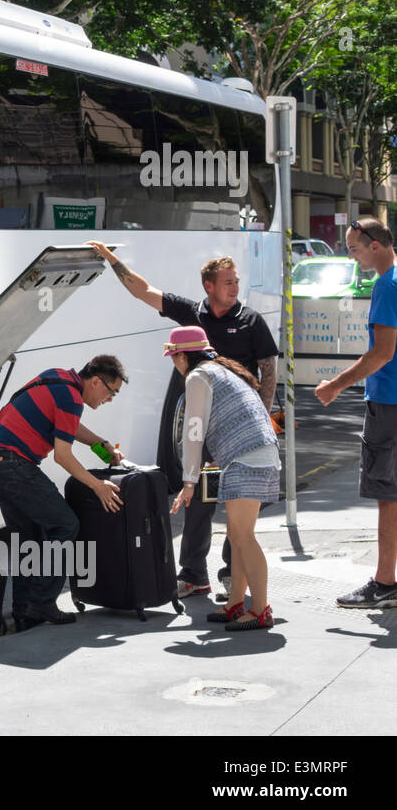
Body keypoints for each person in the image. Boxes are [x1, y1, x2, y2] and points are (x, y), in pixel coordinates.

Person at [86, 241, 278, 601]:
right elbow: (143, 290)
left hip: (234, 432)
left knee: (237, 512)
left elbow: (268, 370)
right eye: (228, 282)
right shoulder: (193, 315)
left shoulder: (250, 320)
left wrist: (260, 419)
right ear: (209, 286)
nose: (235, 288)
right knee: (198, 503)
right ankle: (193, 574)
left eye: (236, 282)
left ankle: (231, 576)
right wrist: (112, 259)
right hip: (204, 430)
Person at [0, 355, 127, 631]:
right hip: (12, 463)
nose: (110, 399)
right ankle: (42, 601)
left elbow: (66, 424)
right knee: (65, 525)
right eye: (111, 392)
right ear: (95, 381)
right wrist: (97, 485)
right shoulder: (71, 397)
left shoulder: (61, 379)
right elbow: (63, 456)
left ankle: (24, 610)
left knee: (28, 534)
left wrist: (100, 443)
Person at [166, 326, 277, 630]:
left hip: (246, 458)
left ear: (182, 356)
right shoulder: (223, 371)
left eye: (174, 357)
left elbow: (193, 431)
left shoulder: (198, 377)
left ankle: (260, 610)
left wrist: (189, 481)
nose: (175, 364)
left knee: (243, 537)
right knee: (237, 535)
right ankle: (235, 604)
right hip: (259, 454)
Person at [315, 217, 397, 609]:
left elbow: (382, 353)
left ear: (375, 245)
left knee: (388, 494)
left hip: (388, 402)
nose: (351, 255)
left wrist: (335, 385)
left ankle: (384, 583)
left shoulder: (387, 285)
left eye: (354, 249)